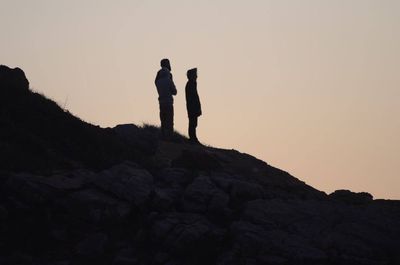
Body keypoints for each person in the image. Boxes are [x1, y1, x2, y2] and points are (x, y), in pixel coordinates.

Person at [155, 58, 177, 140]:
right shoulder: (169, 79)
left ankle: (163, 137)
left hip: (161, 102)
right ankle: (170, 139)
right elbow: (175, 92)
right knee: (170, 121)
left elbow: (155, 82)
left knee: (163, 121)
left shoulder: (158, 81)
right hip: (169, 102)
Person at [185, 68, 202, 144]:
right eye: (195, 74)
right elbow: (193, 97)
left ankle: (193, 138)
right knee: (193, 123)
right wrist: (196, 108)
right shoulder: (190, 84)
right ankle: (192, 138)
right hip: (192, 107)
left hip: (192, 107)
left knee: (194, 123)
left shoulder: (192, 84)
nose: (196, 76)